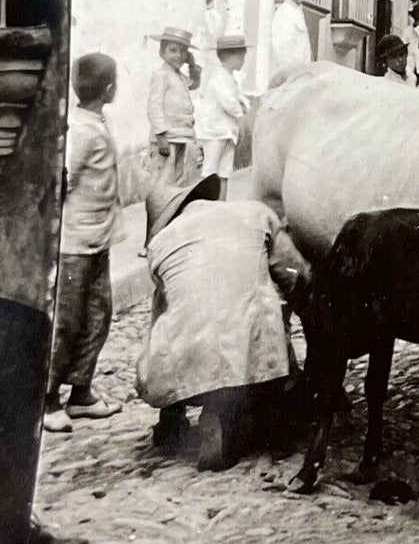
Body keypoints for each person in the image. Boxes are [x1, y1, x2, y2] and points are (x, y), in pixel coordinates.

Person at [138, 175, 305, 471]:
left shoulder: (160, 245)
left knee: (172, 328)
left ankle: (179, 419)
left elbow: (163, 310)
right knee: (266, 326)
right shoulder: (256, 214)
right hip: (252, 346)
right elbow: (296, 274)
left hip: (192, 352)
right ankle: (271, 422)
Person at [44, 52, 124, 435]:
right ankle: (47, 400)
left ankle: (81, 393)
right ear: (108, 89)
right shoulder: (80, 130)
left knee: (98, 317)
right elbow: (64, 180)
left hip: (96, 240)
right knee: (66, 323)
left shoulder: (94, 122)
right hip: (74, 244)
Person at [147, 25, 201, 186]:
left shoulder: (179, 76)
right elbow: (153, 107)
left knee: (178, 178)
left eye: (183, 51)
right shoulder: (161, 75)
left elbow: (193, 85)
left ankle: (173, 209)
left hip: (182, 136)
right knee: (162, 179)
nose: (178, 55)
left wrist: (192, 66)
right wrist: (161, 136)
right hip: (166, 138)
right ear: (161, 53)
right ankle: (159, 209)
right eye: (173, 50)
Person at [197, 35, 248, 199]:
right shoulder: (219, 77)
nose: (243, 61)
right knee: (211, 170)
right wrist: (240, 111)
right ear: (230, 57)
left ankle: (220, 204)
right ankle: (207, 204)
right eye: (241, 58)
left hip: (227, 132)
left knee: (224, 171)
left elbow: (242, 99)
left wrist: (243, 105)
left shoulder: (230, 78)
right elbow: (229, 102)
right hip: (214, 132)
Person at [269, 0, 314, 74]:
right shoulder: (284, 13)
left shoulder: (298, 10)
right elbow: (281, 51)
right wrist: (293, 76)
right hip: (291, 76)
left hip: (302, 74)